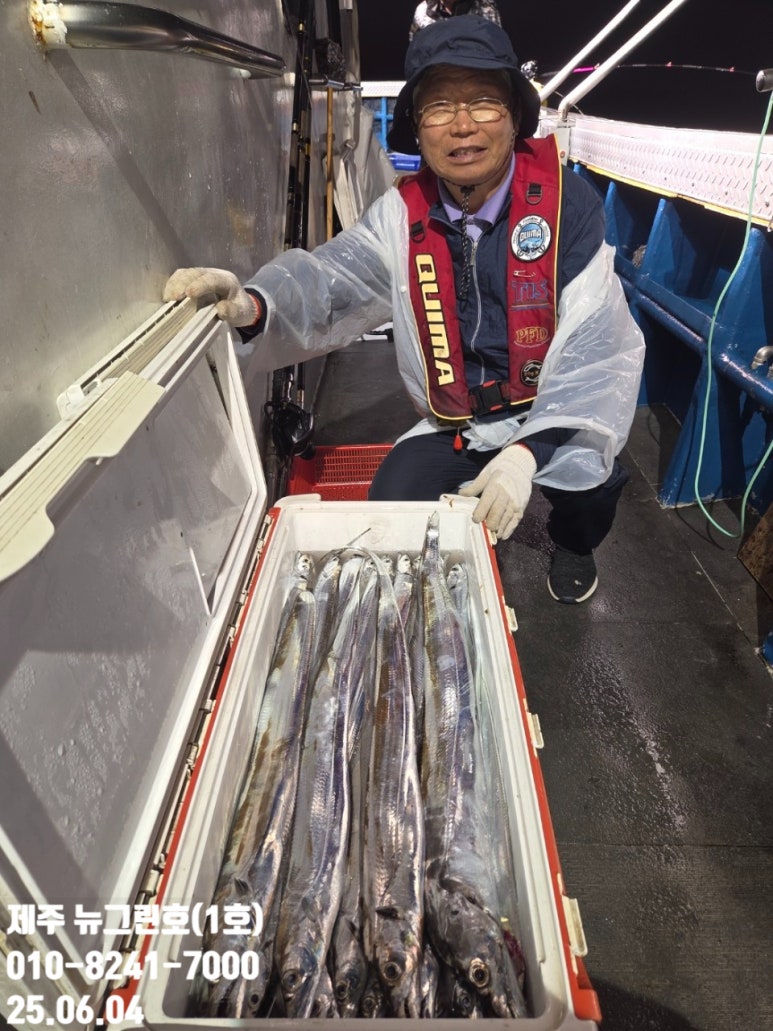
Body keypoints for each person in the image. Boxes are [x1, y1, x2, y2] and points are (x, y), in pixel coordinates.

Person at [163, 16, 645, 604]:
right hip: (459, 420)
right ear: (416, 126)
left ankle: (574, 542)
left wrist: (525, 456)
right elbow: (333, 282)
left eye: (484, 102)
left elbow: (598, 347)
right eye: (439, 107)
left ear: (515, 116)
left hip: (551, 408)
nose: (462, 125)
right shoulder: (400, 214)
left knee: (590, 479)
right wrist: (255, 305)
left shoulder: (569, 205)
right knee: (392, 503)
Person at [409, 0, 502, 42]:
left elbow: (496, 49)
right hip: (437, 71)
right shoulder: (422, 11)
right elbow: (416, 54)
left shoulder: (486, 8)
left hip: (476, 71)